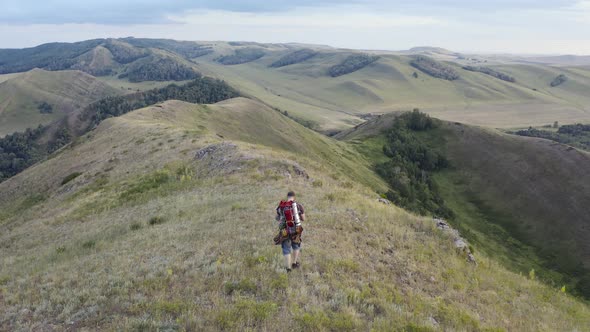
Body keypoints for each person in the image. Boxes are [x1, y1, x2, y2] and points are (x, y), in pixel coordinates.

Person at [275, 191, 305, 272]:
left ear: (287, 196)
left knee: (286, 248)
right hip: (297, 229)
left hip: (285, 230)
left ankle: (288, 269)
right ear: (294, 197)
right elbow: (303, 218)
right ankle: (294, 263)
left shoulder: (281, 206)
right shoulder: (298, 206)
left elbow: (277, 218)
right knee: (296, 245)